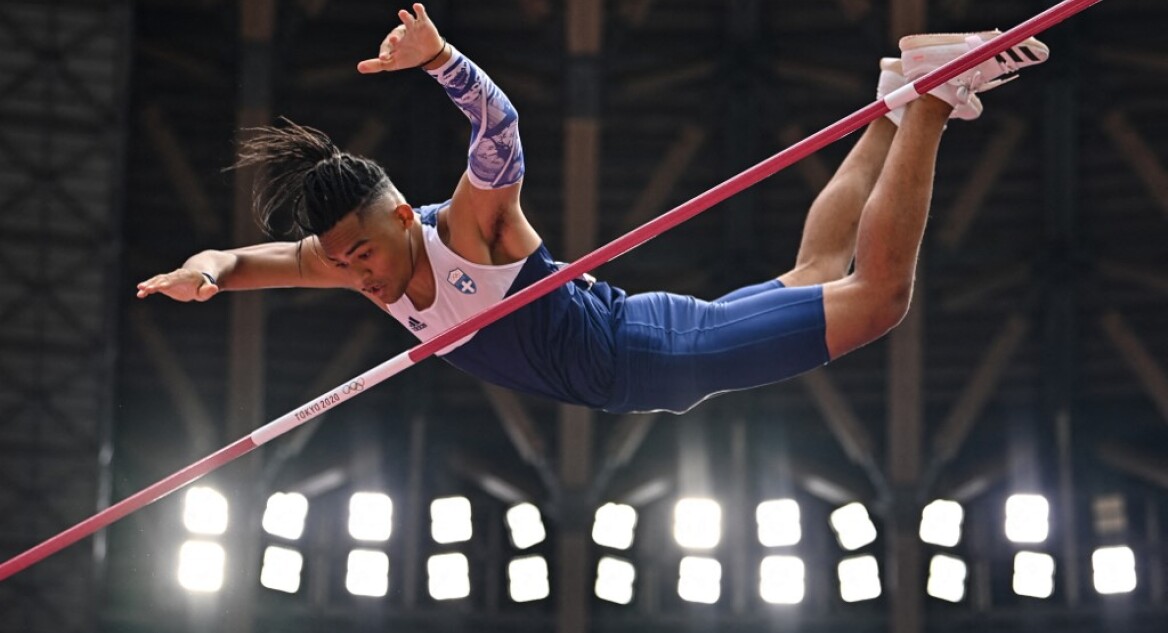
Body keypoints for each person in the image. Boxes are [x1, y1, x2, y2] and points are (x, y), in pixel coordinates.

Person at [136, 4, 1049, 414]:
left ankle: (932, 98)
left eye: (364, 254)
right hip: (642, 354)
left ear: (403, 218)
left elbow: (500, 129)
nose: (358, 275)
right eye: (342, 262)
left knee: (877, 299)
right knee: (815, 274)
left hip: (650, 354)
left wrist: (443, 62)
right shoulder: (349, 262)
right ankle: (893, 103)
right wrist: (204, 273)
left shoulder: (469, 232)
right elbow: (247, 262)